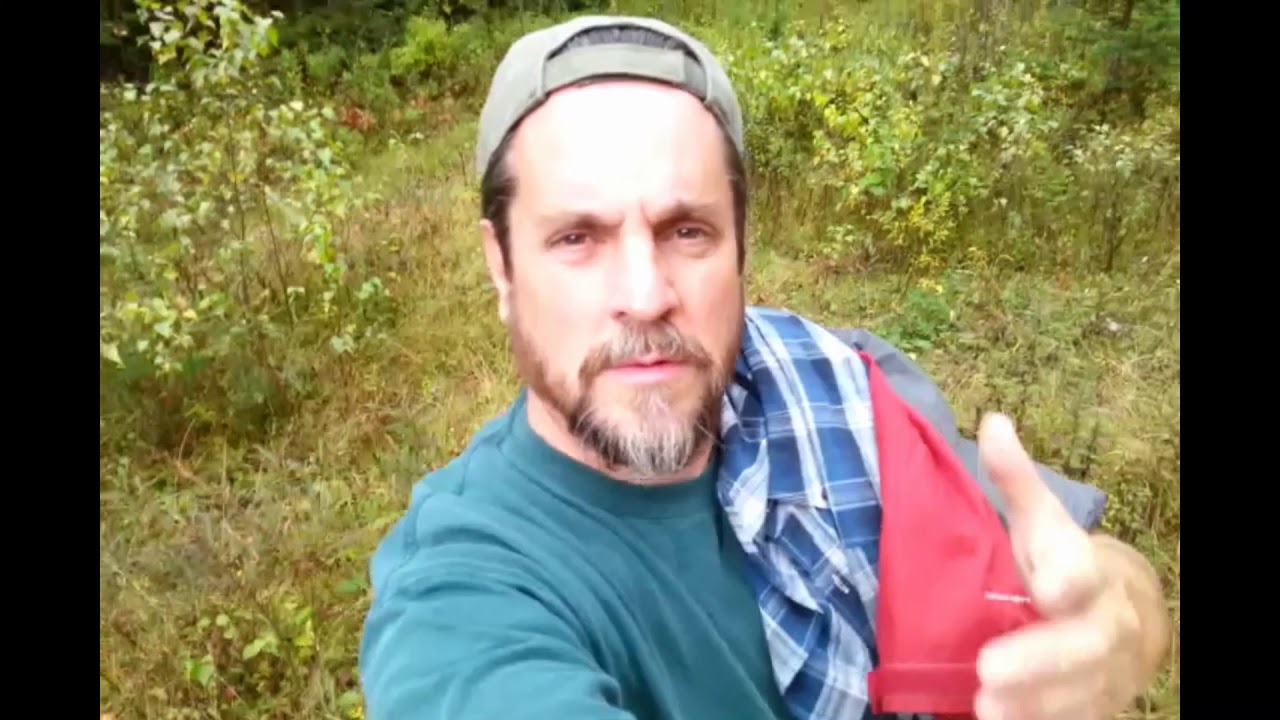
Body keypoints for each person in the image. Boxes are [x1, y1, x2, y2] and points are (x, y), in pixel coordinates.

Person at [358, 15, 1171, 720]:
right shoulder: (465, 585)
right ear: (501, 266)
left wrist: (1118, 622)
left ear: (742, 244)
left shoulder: (839, 388)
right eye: (577, 238)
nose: (645, 296)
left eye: (687, 231)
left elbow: (1096, 568)